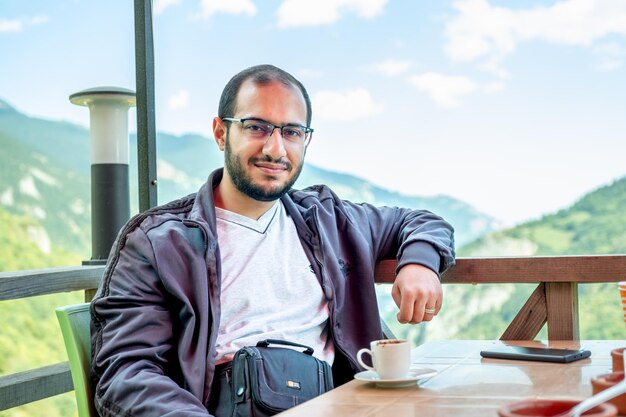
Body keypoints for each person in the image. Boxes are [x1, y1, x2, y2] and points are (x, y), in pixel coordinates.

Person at [90, 64, 455, 416]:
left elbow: (421, 221)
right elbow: (126, 373)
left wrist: (420, 263)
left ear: (306, 139)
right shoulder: (159, 242)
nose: (276, 149)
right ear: (221, 133)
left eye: (292, 132)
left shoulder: (328, 220)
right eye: (257, 127)